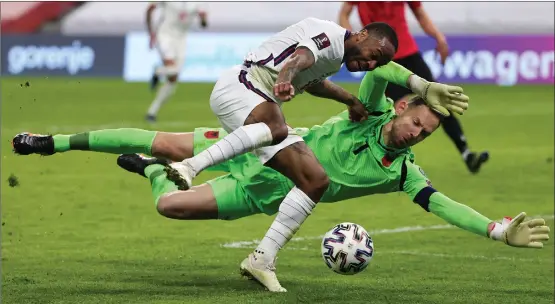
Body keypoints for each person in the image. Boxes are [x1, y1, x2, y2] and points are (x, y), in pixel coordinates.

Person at [12, 61, 470, 292]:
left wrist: (496, 229)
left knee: (167, 205)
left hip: (258, 194)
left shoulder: (403, 173)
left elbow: (442, 203)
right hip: (266, 143)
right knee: (165, 141)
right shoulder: (368, 113)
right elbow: (379, 69)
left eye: (426, 135)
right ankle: (53, 142)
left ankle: (153, 173)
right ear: (402, 107)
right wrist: (421, 83)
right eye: (417, 123)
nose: (416, 136)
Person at [338, 1, 489, 174]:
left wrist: (439, 37)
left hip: (410, 54)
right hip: (384, 59)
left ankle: (466, 153)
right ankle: (382, 161)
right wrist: (355, 42)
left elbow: (420, 14)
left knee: (439, 103)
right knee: (394, 113)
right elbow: (344, 14)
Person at [145, 1, 208, 123]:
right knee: (173, 69)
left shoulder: (197, 3)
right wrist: (151, 33)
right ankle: (158, 72)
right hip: (164, 35)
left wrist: (203, 18)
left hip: (181, 40)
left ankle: (152, 112)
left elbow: (204, 24)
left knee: (173, 78)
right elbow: (150, 9)